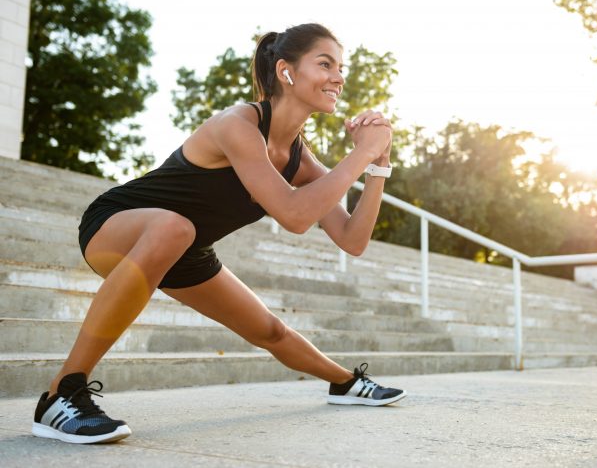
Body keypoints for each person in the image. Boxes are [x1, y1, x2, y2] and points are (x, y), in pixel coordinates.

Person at [32, 23, 406, 445]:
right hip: (117, 223)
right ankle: (60, 395)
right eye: (325, 64)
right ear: (286, 71)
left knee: (270, 330)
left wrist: (378, 166)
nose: (339, 76)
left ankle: (347, 383)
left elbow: (353, 240)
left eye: (341, 67)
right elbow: (294, 215)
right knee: (175, 226)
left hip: (183, 247)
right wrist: (361, 151)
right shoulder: (238, 124)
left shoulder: (300, 160)